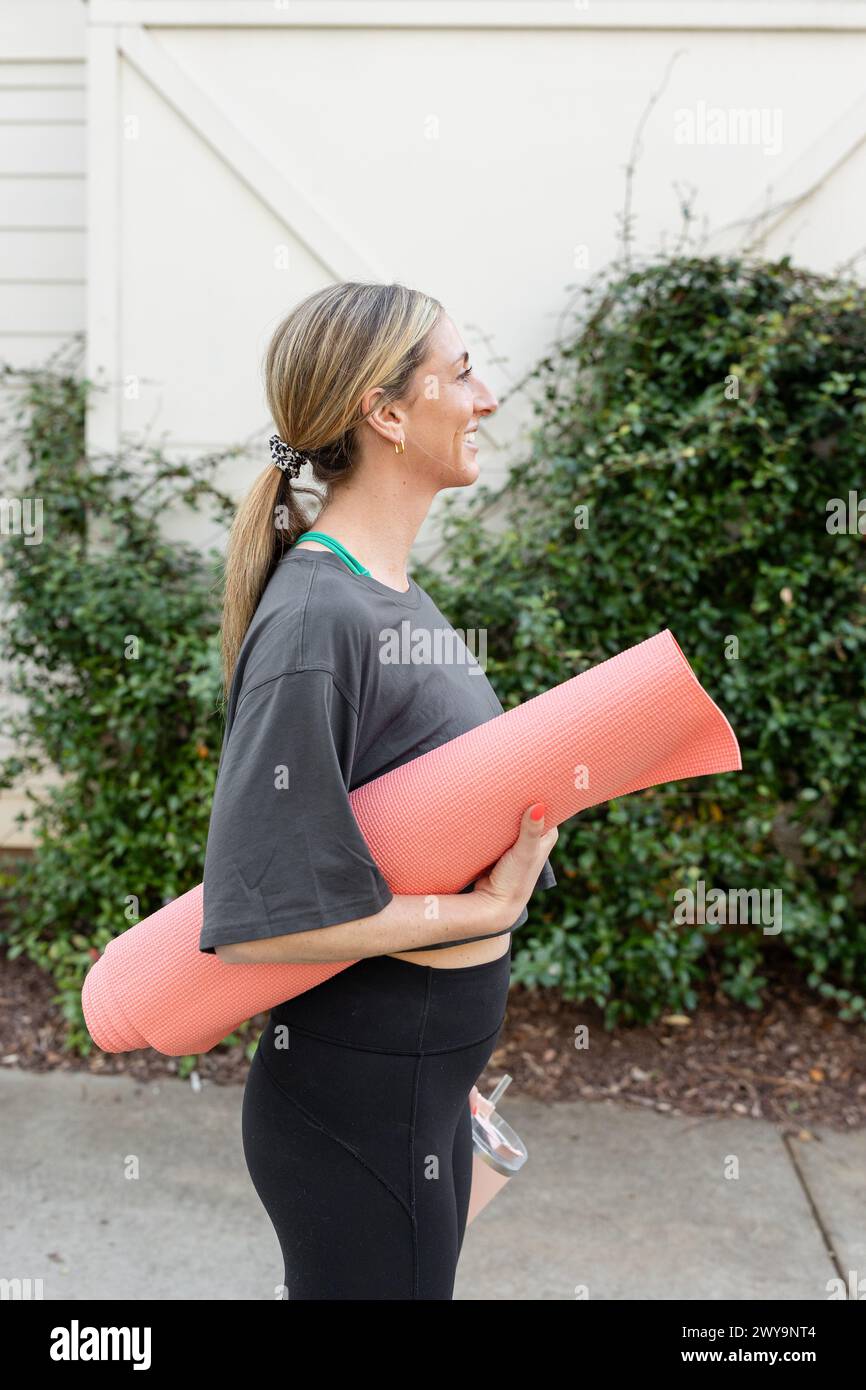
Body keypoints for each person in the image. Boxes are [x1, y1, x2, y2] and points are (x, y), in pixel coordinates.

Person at [200, 281, 558, 1300]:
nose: (485, 396)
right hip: (356, 1103)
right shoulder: (319, 620)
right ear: (387, 412)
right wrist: (479, 912)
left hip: (413, 1088)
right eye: (459, 371)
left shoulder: (387, 592)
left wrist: (447, 1065)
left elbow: (403, 835)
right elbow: (257, 920)